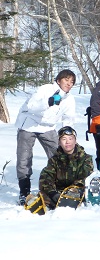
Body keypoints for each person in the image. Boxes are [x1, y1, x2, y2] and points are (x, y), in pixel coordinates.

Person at [15, 69, 77, 205]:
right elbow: (31, 106)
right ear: (59, 80)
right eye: (66, 80)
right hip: (29, 124)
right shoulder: (45, 89)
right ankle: (24, 191)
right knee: (24, 158)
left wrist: (67, 134)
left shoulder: (69, 98)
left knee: (59, 155)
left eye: (72, 82)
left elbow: (68, 118)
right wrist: (48, 102)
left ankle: (59, 187)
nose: (69, 83)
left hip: (48, 127)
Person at [38, 126, 93, 210]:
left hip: (77, 192)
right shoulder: (54, 160)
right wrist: (52, 193)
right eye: (64, 139)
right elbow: (47, 177)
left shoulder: (85, 158)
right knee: (42, 194)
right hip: (59, 193)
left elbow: (86, 177)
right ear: (59, 142)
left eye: (70, 139)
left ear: (75, 140)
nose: (67, 142)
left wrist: (73, 190)